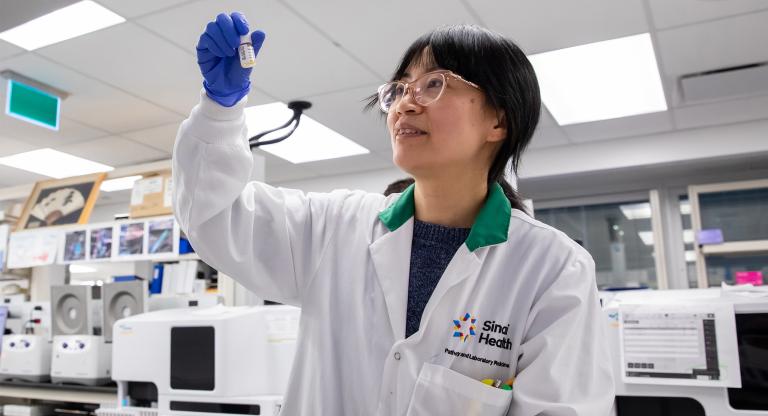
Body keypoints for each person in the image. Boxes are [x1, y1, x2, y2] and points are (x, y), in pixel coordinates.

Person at [173, 12, 614, 416]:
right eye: (400, 88)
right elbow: (215, 217)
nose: (405, 103)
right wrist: (220, 109)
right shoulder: (334, 227)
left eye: (434, 84)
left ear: (498, 120)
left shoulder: (551, 267)